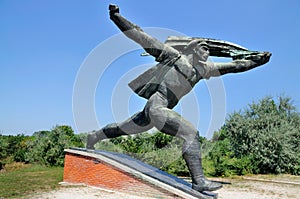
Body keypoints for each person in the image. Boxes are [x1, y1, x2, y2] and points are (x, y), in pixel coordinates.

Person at [87, 4, 271, 192]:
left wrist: (258, 61)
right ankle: (199, 181)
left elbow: (236, 66)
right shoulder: (174, 57)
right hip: (157, 107)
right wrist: (116, 17)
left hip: (154, 110)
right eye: (204, 49)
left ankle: (94, 136)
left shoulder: (202, 70)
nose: (207, 53)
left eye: (208, 51)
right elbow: (140, 36)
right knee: (190, 133)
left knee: (122, 128)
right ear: (193, 49)